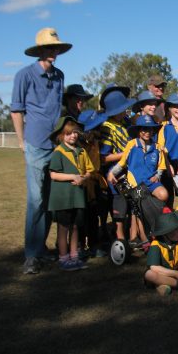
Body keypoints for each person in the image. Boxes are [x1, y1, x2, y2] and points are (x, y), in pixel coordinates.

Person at [11, 27, 71, 274]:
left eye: (55, 47)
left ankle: (42, 250)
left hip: (55, 146)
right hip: (35, 145)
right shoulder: (24, 75)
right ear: (39, 50)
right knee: (35, 200)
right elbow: (16, 109)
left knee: (49, 201)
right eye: (49, 47)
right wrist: (21, 141)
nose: (53, 51)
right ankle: (31, 255)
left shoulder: (59, 76)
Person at [107, 115, 168, 244]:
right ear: (139, 131)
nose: (147, 132)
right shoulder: (132, 144)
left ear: (153, 131)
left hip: (150, 181)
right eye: (144, 130)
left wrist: (157, 176)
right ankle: (144, 239)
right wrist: (112, 173)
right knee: (140, 207)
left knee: (164, 195)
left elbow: (161, 167)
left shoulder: (157, 147)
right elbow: (122, 163)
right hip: (135, 184)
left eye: (150, 130)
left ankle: (159, 228)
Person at [48, 116, 94, 271]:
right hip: (63, 198)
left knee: (75, 226)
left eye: (75, 132)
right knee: (63, 227)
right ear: (61, 135)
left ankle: (74, 256)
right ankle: (63, 257)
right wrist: (73, 177)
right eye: (69, 133)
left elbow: (89, 170)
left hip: (77, 196)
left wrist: (84, 178)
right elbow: (53, 174)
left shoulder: (81, 151)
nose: (73, 135)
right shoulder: (59, 152)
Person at [99, 87, 135, 241]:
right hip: (115, 175)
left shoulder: (126, 122)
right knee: (119, 209)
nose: (125, 111)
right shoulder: (107, 127)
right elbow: (104, 158)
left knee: (131, 205)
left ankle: (131, 237)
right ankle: (119, 239)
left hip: (130, 173)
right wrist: (126, 153)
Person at [77, 109, 109, 258]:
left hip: (95, 182)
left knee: (94, 215)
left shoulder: (96, 142)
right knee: (81, 217)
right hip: (82, 184)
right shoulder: (79, 146)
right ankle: (80, 246)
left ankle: (94, 244)